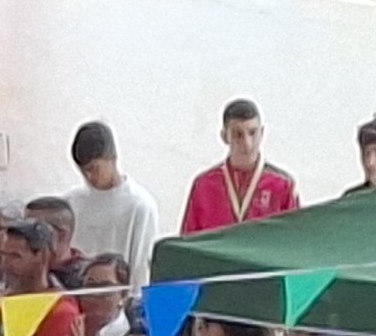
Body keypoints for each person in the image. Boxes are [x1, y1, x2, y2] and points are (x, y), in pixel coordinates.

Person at [61, 121, 163, 283]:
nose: (88, 177)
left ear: (112, 159)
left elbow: (140, 267)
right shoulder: (70, 203)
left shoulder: (140, 206)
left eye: (94, 168)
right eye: (82, 170)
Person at [180, 98, 299, 235]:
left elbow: (293, 242)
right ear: (224, 136)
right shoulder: (203, 186)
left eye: (252, 133)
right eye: (238, 134)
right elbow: (186, 245)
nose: (247, 143)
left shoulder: (283, 186)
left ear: (262, 133)